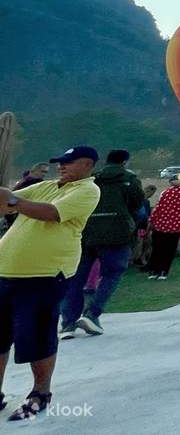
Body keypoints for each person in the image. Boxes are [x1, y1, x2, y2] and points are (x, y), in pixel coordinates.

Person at [0, 145, 101, 421]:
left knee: (37, 338)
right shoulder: (45, 186)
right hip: (5, 273)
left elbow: (50, 213)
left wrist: (12, 201)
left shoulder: (87, 190)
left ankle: (39, 394)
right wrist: (6, 198)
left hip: (43, 276)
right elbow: (5, 203)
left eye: (68, 162)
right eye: (61, 162)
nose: (62, 166)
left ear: (87, 165)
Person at [59, 148, 145, 338]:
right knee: (112, 273)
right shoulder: (129, 180)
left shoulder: (94, 178)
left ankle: (67, 324)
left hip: (87, 233)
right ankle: (92, 313)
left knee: (75, 278)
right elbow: (137, 204)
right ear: (125, 162)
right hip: (118, 234)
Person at [145, 174, 180, 280]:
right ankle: (163, 271)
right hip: (176, 227)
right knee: (169, 249)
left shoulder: (167, 192)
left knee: (157, 248)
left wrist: (151, 222)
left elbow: (157, 209)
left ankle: (153, 271)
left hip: (160, 225)